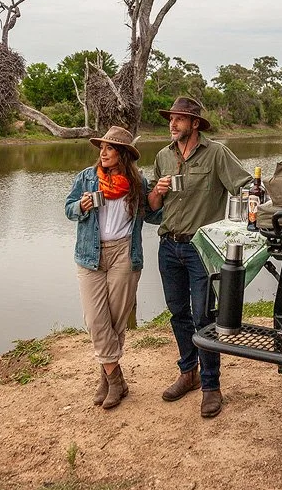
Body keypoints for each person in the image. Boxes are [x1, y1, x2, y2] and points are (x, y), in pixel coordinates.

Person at [147, 96, 251, 418]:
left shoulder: (216, 153)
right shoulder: (163, 156)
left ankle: (210, 386)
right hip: (169, 246)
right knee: (178, 312)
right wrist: (158, 191)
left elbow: (245, 186)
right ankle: (188, 373)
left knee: (204, 317)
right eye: (171, 118)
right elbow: (152, 206)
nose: (172, 123)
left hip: (201, 248)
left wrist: (246, 218)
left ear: (194, 123)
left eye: (179, 118)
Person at [65, 126, 160, 409]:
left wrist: (160, 194)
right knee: (95, 320)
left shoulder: (138, 183)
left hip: (125, 253)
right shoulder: (87, 177)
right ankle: (116, 379)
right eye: (102, 148)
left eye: (110, 148)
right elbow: (68, 208)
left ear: (123, 154)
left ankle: (106, 379)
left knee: (116, 321)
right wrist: (81, 206)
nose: (103, 153)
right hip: (89, 255)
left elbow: (153, 215)